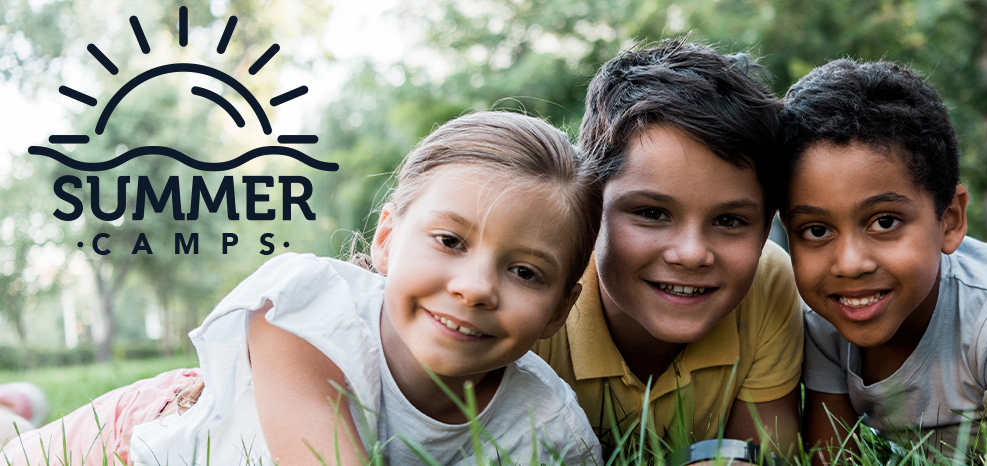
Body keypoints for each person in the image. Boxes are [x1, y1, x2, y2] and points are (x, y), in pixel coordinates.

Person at [3, 112, 603, 465]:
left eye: (525, 272)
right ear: (388, 239)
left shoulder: (548, 430)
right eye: (449, 241)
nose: (475, 288)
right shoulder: (307, 309)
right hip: (133, 441)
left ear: (560, 310)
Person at [780, 59, 987, 461]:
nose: (849, 264)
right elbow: (830, 455)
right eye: (816, 230)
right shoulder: (823, 313)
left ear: (950, 220)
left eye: (884, 222)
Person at [531, 40, 802, 455]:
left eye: (729, 221)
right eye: (652, 213)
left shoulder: (767, 281)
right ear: (589, 207)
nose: (692, 253)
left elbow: (757, 455)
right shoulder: (530, 289)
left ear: (766, 228)